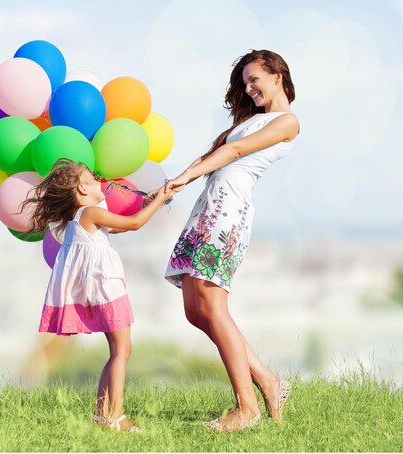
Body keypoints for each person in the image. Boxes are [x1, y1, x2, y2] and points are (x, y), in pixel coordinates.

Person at [163, 49, 300, 432]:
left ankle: (247, 408)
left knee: (213, 306)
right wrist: (177, 181)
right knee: (196, 310)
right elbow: (218, 152)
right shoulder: (252, 119)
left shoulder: (288, 122)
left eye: (254, 79)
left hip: (227, 212)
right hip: (208, 207)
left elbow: (236, 152)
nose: (249, 88)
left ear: (278, 76)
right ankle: (270, 383)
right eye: (245, 83)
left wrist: (187, 178)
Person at [24, 158, 174, 432]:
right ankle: (115, 415)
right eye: (92, 179)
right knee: (122, 351)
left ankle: (102, 414)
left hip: (103, 288)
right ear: (82, 189)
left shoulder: (83, 217)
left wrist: (150, 202)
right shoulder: (89, 213)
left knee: (117, 351)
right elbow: (135, 224)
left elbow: (118, 226)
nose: (100, 181)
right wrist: (161, 197)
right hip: (107, 288)